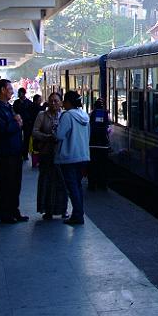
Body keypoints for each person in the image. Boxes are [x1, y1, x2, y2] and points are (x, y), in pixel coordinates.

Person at [0, 79, 29, 224]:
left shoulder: (8, 107)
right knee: (6, 183)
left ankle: (14, 211)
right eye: (10, 89)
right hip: (5, 152)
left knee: (16, 183)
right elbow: (2, 129)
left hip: (15, 150)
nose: (12, 91)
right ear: (2, 90)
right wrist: (16, 123)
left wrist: (15, 122)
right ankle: (6, 214)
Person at [55, 90, 91, 225]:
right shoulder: (84, 115)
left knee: (72, 187)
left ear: (68, 102)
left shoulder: (67, 116)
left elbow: (59, 136)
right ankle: (79, 213)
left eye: (64, 101)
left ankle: (77, 215)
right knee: (78, 186)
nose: (63, 103)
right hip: (83, 156)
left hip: (69, 157)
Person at [33, 92, 68, 219]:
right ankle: (47, 210)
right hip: (46, 153)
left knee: (61, 182)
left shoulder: (65, 116)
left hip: (61, 154)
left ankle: (62, 209)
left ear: (61, 102)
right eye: (51, 101)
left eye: (56, 101)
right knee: (47, 181)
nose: (53, 103)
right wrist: (47, 137)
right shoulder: (42, 115)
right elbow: (35, 132)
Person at [88, 98, 111, 190]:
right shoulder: (104, 114)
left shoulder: (92, 114)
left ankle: (92, 184)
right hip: (103, 145)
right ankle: (103, 184)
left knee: (93, 165)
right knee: (103, 165)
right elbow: (108, 129)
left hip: (92, 144)